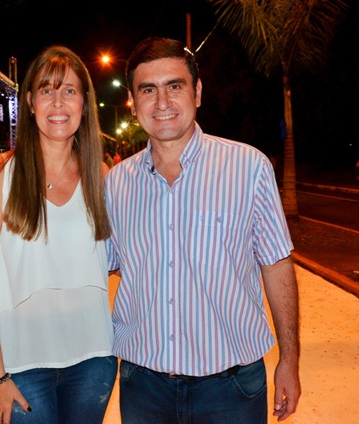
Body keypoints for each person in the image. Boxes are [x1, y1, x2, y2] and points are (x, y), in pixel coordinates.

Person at [105, 37, 301, 423]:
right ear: (132, 101)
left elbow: (277, 265)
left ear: (197, 92)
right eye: (148, 89)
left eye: (174, 86)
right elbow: (99, 267)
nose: (162, 102)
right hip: (143, 387)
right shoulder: (116, 183)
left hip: (231, 389)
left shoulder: (248, 168)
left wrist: (289, 360)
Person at [0, 45, 116, 424]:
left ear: (84, 103)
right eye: (47, 90)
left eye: (69, 90)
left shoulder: (101, 176)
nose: (58, 102)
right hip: (21, 363)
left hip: (94, 359)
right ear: (31, 102)